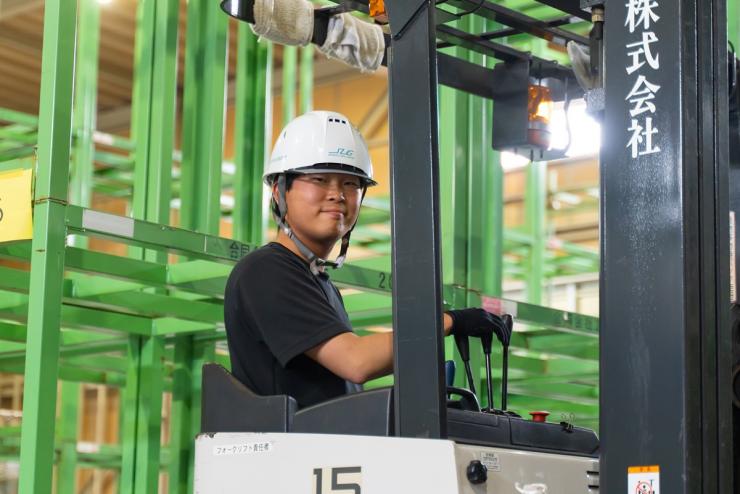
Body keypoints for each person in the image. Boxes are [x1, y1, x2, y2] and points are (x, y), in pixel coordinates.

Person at [224, 110, 511, 408]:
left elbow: (342, 387)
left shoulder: (319, 282)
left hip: (324, 437)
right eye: (320, 179)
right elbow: (356, 361)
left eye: (351, 184)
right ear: (279, 191)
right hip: (291, 439)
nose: (337, 194)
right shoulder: (266, 271)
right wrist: (450, 322)